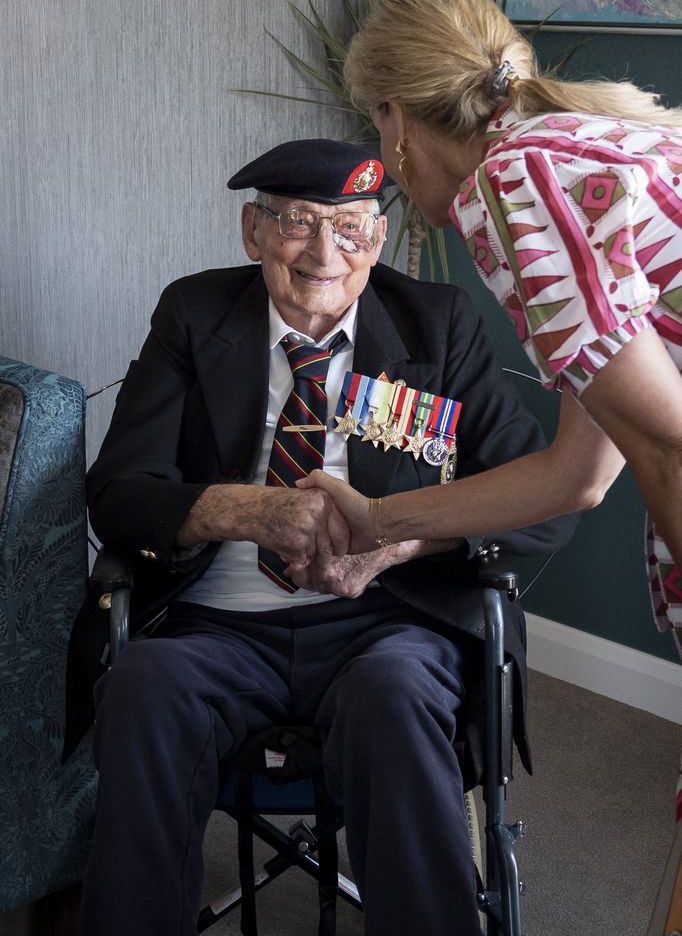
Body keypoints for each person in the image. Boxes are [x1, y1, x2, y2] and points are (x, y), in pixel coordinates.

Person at [64, 137, 576, 936]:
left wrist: (402, 540)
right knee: (141, 688)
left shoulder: (435, 324)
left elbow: (543, 500)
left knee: (397, 697)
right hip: (216, 625)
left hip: (389, 622)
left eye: (351, 226)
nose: (326, 252)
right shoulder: (195, 314)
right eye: (299, 223)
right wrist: (247, 511)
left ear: (376, 236)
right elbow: (119, 495)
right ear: (253, 232)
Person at [299, 0, 682, 675]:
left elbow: (670, 451)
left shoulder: (516, 183)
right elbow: (579, 475)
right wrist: (379, 521)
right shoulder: (571, 149)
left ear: (400, 120)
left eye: (377, 127)